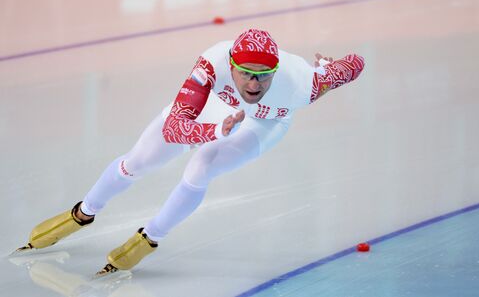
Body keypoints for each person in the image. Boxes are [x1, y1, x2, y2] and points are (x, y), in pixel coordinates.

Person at [17, 29, 365, 275]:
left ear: (276, 71)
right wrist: (215, 129)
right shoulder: (212, 63)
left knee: (202, 165)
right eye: (246, 75)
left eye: (264, 77)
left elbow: (356, 63)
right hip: (213, 110)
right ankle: (82, 213)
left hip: (264, 126)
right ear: (232, 66)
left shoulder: (302, 82)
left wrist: (325, 70)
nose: (254, 85)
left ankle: (150, 237)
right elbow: (174, 127)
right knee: (138, 161)